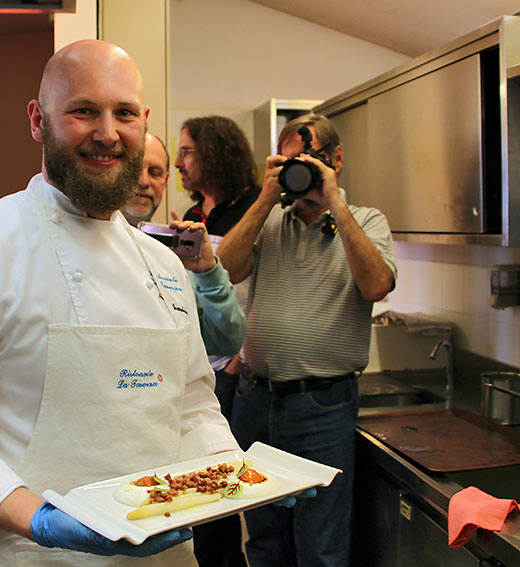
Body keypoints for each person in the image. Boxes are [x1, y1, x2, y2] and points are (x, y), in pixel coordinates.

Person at [0, 40, 239, 567]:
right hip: (31, 555)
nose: (106, 133)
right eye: (82, 111)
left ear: (143, 122)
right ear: (37, 119)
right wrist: (40, 520)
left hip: (164, 556)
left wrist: (236, 476)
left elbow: (189, 405)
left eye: (123, 113)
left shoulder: (163, 264)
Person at [217, 113, 398, 567]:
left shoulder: (366, 220)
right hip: (255, 399)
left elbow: (376, 285)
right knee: (264, 540)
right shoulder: (270, 221)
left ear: (336, 159)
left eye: (312, 158)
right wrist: (265, 199)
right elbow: (224, 271)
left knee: (321, 545)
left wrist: (333, 203)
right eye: (291, 160)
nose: (303, 168)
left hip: (323, 407)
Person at [173, 116, 259, 567]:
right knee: (199, 505)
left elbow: (257, 289)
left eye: (187, 151)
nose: (177, 163)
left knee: (220, 503)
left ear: (215, 152)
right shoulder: (195, 217)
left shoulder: (248, 211)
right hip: (194, 368)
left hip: (228, 370)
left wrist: (238, 359)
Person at [122, 131, 246, 358]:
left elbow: (227, 340)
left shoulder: (172, 258)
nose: (143, 181)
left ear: (166, 181)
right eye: (134, 169)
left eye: (155, 172)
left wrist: (209, 272)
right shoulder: (83, 245)